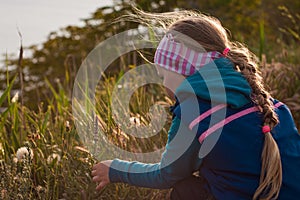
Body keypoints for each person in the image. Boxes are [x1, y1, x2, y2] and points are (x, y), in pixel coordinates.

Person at [91, 9, 300, 200]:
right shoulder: (271, 107)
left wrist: (116, 170)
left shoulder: (195, 116)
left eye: (164, 75)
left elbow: (167, 174)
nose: (163, 84)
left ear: (182, 72)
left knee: (185, 189)